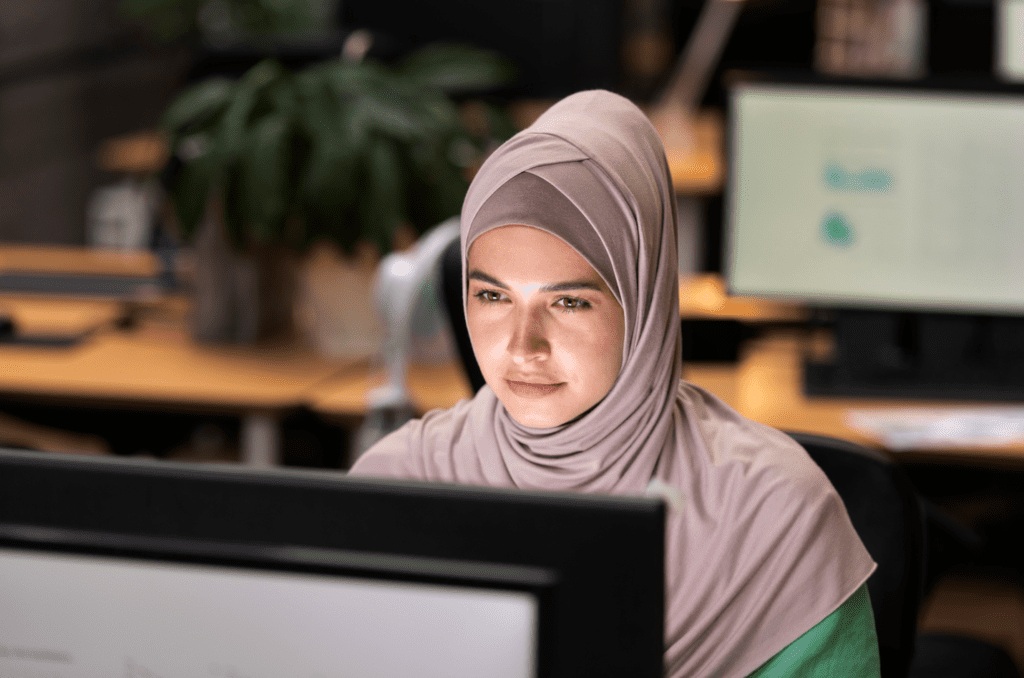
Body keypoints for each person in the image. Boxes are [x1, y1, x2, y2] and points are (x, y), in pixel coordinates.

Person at [349, 90, 880, 678]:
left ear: (644, 302)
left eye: (570, 301)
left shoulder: (776, 517)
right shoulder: (399, 483)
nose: (523, 345)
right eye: (493, 296)